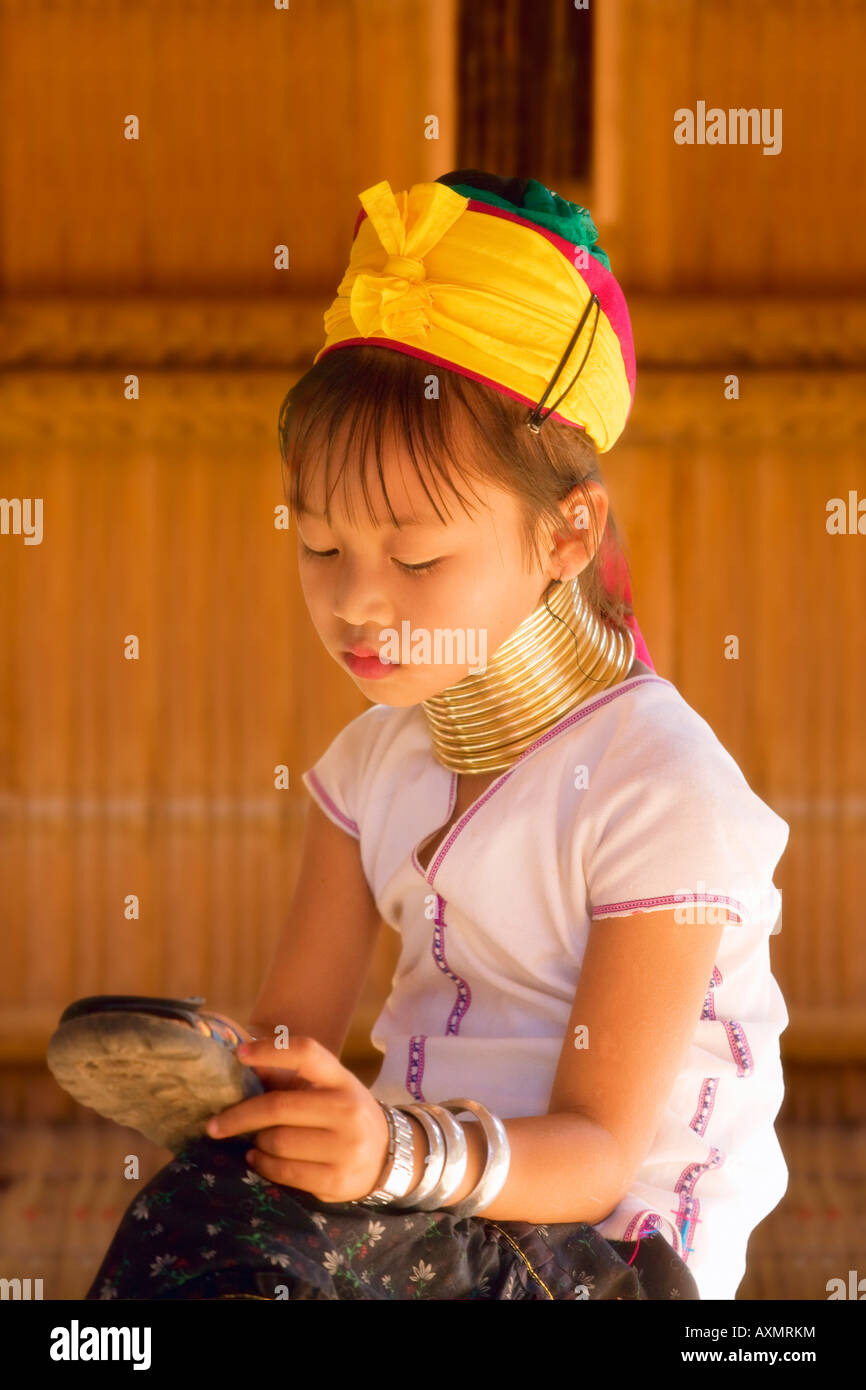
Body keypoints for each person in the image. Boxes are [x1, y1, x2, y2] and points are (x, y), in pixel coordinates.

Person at [59, 170, 789, 1301]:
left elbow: (596, 1146)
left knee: (292, 1259)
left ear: (564, 531)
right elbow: (294, 1030)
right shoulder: (370, 769)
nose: (356, 600)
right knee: (202, 1205)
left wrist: (390, 1153)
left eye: (412, 558)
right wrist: (238, 1085)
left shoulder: (661, 787)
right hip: (418, 1216)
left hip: (609, 1255)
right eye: (318, 546)